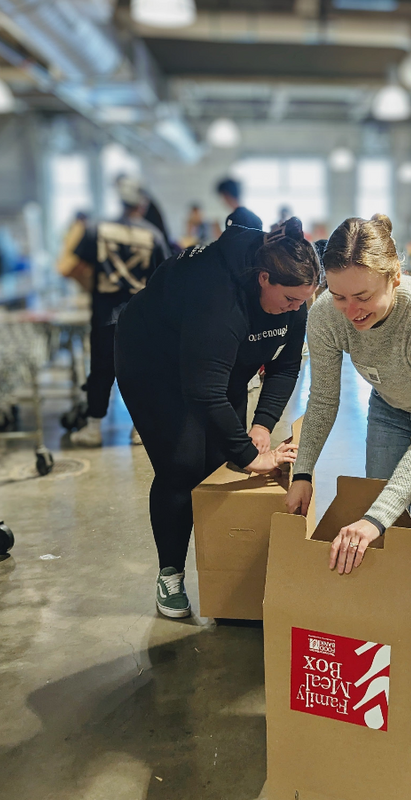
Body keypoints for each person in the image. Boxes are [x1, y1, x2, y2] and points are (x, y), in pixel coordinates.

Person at [286, 214, 411, 723]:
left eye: (363, 297)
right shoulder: (326, 314)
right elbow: (324, 400)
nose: (349, 310)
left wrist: (373, 517)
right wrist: (304, 472)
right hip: (389, 408)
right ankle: (389, 635)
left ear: (393, 277)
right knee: (379, 529)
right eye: (338, 295)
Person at [115, 217, 321, 619]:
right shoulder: (218, 296)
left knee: (216, 464)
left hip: (216, 361)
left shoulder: (294, 296)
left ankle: (220, 576)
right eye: (290, 300)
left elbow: (286, 367)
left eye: (303, 301)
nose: (296, 308)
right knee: (183, 463)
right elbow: (202, 391)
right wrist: (250, 456)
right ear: (264, 278)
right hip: (153, 360)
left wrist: (260, 427)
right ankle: (170, 572)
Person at [68, 176, 170, 448]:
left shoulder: (96, 229)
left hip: (104, 314)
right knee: (141, 372)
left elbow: (75, 267)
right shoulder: (154, 235)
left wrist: (94, 288)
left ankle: (93, 429)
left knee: (101, 371)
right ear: (142, 202)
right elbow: (163, 280)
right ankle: (139, 429)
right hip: (139, 318)